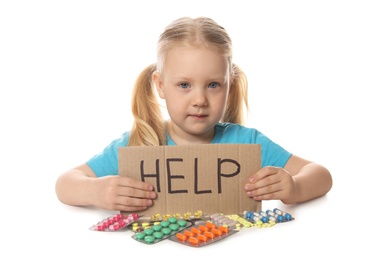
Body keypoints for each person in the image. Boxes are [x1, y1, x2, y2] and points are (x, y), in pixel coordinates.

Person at [55, 16, 332, 212]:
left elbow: (320, 174)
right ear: (160, 86)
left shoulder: (247, 143)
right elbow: (65, 183)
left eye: (213, 85)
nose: (199, 100)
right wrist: (96, 191)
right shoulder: (140, 143)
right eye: (184, 85)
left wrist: (295, 187)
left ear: (229, 85)